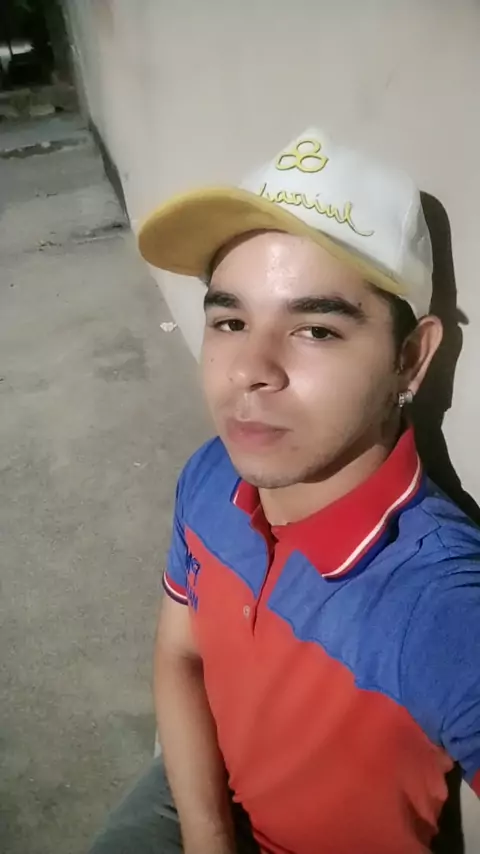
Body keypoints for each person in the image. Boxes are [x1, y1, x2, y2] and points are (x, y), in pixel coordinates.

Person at [90, 129, 480, 854]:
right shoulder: (212, 473)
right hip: (196, 783)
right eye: (230, 321)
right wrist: (208, 838)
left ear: (410, 358)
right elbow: (181, 654)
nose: (249, 369)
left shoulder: (441, 604)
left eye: (316, 330)